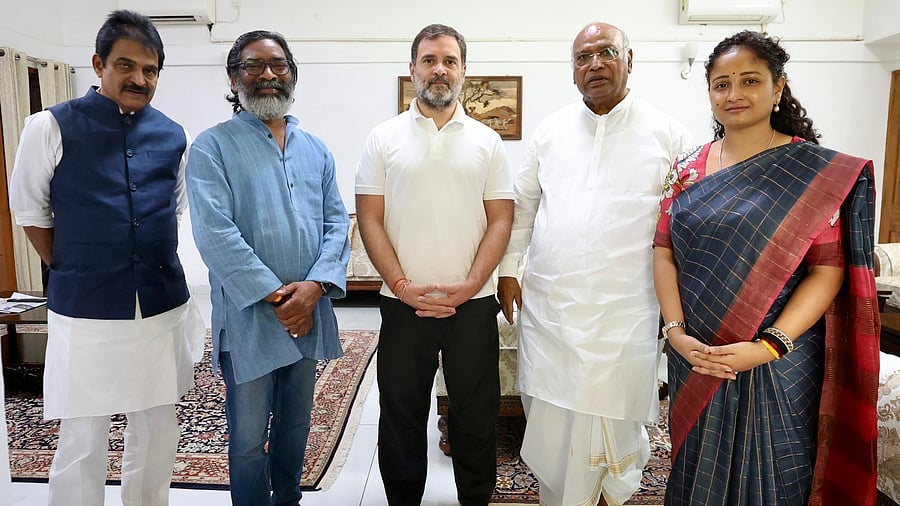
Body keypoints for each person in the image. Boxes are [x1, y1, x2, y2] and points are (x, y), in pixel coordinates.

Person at [653, 30, 879, 505]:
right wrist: (675, 333)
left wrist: (768, 346)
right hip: (698, 352)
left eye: (750, 81)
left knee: (776, 473)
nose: (734, 95)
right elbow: (664, 251)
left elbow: (826, 270)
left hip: (780, 357)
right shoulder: (686, 169)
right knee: (698, 469)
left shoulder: (815, 173)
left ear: (778, 88)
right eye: (721, 84)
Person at [7, 10, 204, 506]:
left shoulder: (173, 134)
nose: (140, 78)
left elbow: (173, 207)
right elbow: (29, 209)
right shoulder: (48, 126)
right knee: (82, 431)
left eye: (151, 70)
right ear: (99, 64)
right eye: (126, 65)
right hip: (85, 308)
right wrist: (74, 265)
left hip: (160, 306)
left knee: (159, 424)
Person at [497, 22, 692, 506]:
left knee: (617, 417)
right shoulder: (550, 130)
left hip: (627, 308)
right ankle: (559, 494)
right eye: (583, 57)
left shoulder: (668, 133)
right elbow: (521, 207)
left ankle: (609, 497)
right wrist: (508, 268)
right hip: (553, 304)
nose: (595, 64)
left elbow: (686, 220)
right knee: (550, 413)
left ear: (630, 59)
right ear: (573, 71)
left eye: (607, 52)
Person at [185, 30, 350, 506]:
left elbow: (337, 222)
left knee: (297, 424)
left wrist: (315, 288)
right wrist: (281, 298)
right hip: (252, 317)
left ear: (292, 74)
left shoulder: (315, 148)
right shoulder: (212, 147)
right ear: (234, 78)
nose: (268, 76)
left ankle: (289, 499)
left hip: (308, 310)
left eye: (278, 66)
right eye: (253, 67)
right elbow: (215, 233)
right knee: (248, 436)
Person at [355, 23, 514, 506]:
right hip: (403, 306)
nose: (439, 69)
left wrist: (469, 286)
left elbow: (501, 220)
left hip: (474, 306)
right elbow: (369, 219)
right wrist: (402, 286)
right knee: (401, 415)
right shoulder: (382, 138)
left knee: (476, 414)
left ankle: (475, 499)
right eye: (429, 60)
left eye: (449, 60)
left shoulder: (489, 141)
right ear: (413, 69)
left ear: (464, 71)